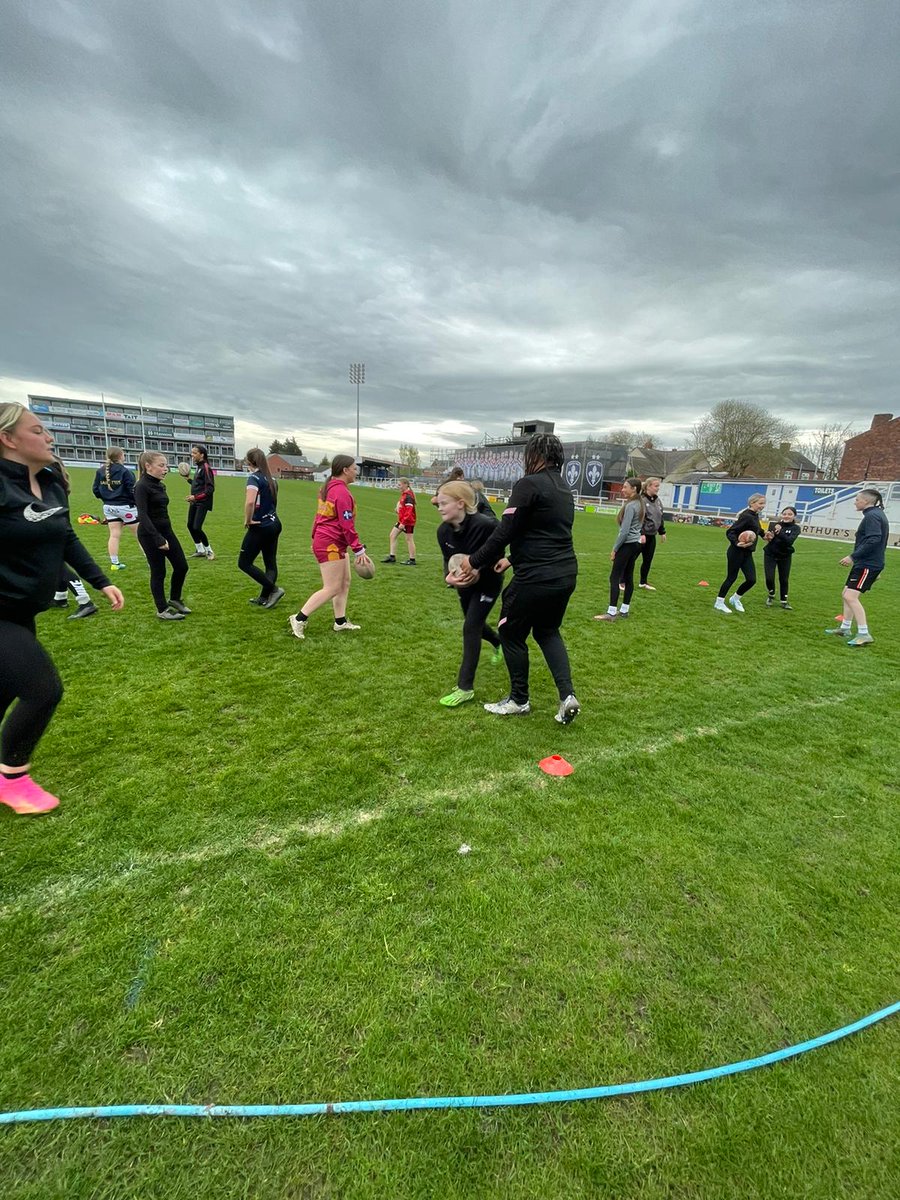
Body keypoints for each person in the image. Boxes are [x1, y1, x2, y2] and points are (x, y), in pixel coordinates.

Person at [0, 403, 124, 814]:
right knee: (42, 689)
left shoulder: (51, 483)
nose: (49, 437)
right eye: (38, 431)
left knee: (5, 689)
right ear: (8, 439)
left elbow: (65, 538)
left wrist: (101, 581)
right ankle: (13, 779)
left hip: (21, 610)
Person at [456, 433, 580, 724]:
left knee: (510, 633)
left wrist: (474, 561)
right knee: (547, 630)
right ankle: (567, 695)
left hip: (536, 576)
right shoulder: (564, 488)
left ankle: (518, 700)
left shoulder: (528, 484)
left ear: (534, 455)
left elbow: (506, 531)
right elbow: (543, 533)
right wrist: (511, 559)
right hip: (565, 573)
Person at [288, 455, 373, 639]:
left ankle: (340, 622)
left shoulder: (328, 487)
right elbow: (346, 525)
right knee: (333, 587)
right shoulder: (341, 492)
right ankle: (299, 618)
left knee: (344, 582)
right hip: (330, 543)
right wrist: (359, 549)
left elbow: (319, 516)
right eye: (354, 468)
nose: (356, 471)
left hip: (331, 541)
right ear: (345, 470)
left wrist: (314, 537)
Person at [435, 481, 504, 707]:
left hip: (489, 583)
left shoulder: (486, 525)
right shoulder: (442, 531)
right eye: (439, 503)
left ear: (461, 504)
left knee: (471, 627)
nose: (439, 507)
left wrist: (478, 568)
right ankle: (498, 642)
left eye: (444, 503)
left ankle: (465, 688)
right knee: (474, 624)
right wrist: (449, 577)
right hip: (464, 586)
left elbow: (499, 554)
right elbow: (448, 560)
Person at [825, 488, 890, 647]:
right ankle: (845, 628)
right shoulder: (874, 514)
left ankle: (864, 633)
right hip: (867, 563)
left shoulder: (872, 516)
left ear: (866, 501)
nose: (855, 502)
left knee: (850, 597)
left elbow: (874, 539)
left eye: (857, 499)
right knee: (846, 593)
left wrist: (852, 557)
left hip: (867, 564)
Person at [134, 451, 191, 620]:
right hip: (150, 534)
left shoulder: (159, 484)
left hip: (166, 531)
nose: (165, 469)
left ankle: (174, 599)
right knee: (159, 572)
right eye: (161, 465)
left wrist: (165, 534)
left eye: (166, 465)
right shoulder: (141, 486)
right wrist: (157, 538)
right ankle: (162, 609)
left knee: (182, 566)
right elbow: (142, 515)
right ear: (148, 466)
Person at [595, 478, 645, 621]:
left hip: (627, 545)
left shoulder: (631, 506)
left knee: (614, 577)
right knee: (628, 577)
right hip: (636, 544)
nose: (622, 490)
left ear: (634, 489)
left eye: (625, 487)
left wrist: (615, 549)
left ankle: (611, 613)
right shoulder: (640, 504)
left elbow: (624, 531)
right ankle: (624, 610)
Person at [239, 448, 284, 608]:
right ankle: (264, 597)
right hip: (274, 523)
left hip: (260, 526)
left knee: (244, 563)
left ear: (249, 462)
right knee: (270, 563)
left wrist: (248, 519)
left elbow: (250, 502)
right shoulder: (272, 479)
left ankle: (274, 590)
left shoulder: (254, 478)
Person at [713, 494, 766, 614]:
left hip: (747, 553)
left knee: (751, 579)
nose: (763, 506)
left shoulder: (755, 516)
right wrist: (737, 543)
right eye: (760, 503)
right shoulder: (746, 516)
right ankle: (719, 602)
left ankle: (735, 599)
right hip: (736, 552)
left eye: (764, 503)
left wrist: (764, 535)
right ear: (752, 503)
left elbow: (756, 529)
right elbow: (731, 531)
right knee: (731, 577)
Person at [92, 446, 138, 570]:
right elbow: (132, 491)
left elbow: (95, 490)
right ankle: (152, 562)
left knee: (114, 535)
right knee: (141, 535)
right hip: (126, 507)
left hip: (108, 507)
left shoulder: (100, 471)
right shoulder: (126, 472)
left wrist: (107, 498)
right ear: (121, 456)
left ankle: (115, 563)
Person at [763, 507, 801, 609]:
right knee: (769, 578)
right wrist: (768, 537)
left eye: (789, 514)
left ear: (794, 516)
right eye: (784, 514)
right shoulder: (774, 525)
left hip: (785, 555)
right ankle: (771, 594)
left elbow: (789, 541)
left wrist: (779, 533)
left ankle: (784, 600)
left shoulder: (796, 528)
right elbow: (769, 539)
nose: (786, 516)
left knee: (784, 579)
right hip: (770, 554)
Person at [184, 443, 216, 560]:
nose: (192, 455)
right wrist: (188, 479)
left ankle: (209, 551)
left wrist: (195, 497)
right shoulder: (199, 467)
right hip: (195, 502)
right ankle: (200, 550)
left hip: (202, 502)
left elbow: (210, 489)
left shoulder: (206, 468)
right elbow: (198, 484)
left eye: (194, 453)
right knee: (190, 525)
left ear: (202, 455)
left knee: (197, 527)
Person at [637, 476, 666, 590]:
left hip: (651, 536)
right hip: (641, 536)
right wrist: (641, 533)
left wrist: (662, 532)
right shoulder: (641, 500)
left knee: (648, 560)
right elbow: (639, 518)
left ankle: (643, 582)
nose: (658, 488)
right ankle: (622, 581)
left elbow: (660, 517)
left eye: (658, 486)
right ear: (648, 486)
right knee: (631, 558)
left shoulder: (658, 501)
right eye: (656, 486)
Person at [382, 477, 417, 565]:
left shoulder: (409, 496)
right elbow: (404, 507)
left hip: (407, 522)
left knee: (409, 539)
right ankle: (392, 557)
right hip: (402, 520)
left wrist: (403, 523)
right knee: (392, 535)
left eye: (399, 485)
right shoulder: (405, 494)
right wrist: (398, 509)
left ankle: (412, 560)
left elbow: (409, 511)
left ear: (405, 484)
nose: (398, 486)